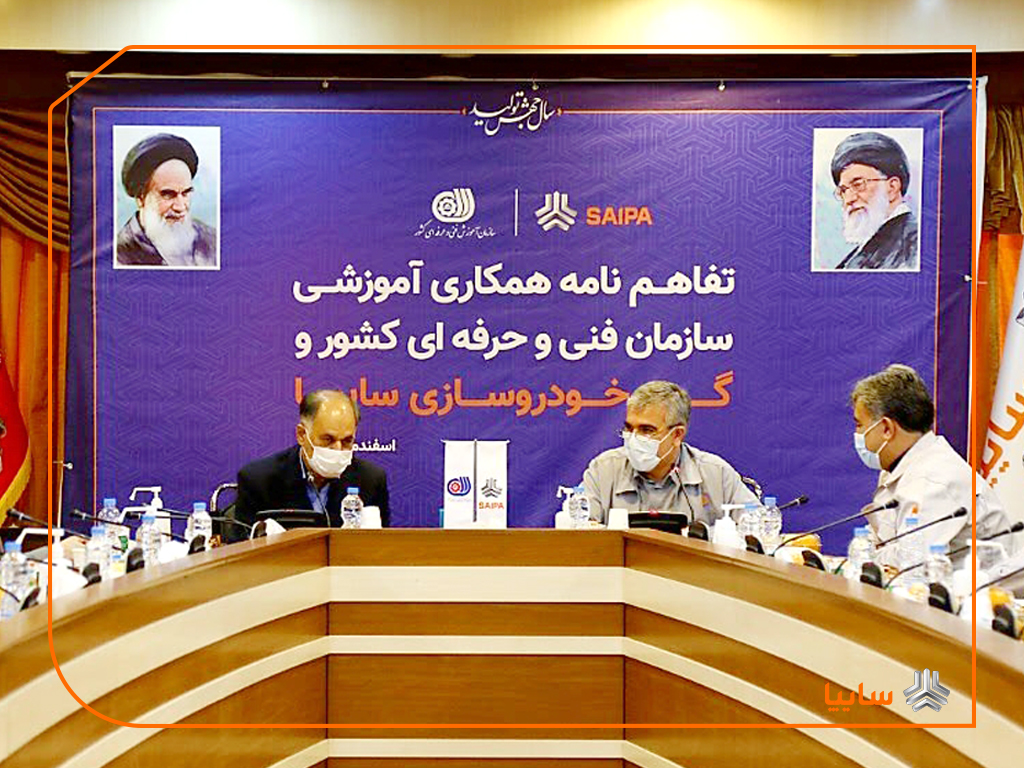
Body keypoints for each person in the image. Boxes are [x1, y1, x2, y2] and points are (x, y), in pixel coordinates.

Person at [851, 364, 1014, 568]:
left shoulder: (934, 479)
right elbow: (881, 540)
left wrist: (869, 555)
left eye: (859, 425)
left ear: (886, 428)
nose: (857, 434)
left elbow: (912, 564)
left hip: (977, 586)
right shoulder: (901, 467)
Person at [582, 380, 759, 526]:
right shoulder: (603, 470)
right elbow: (578, 531)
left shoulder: (716, 473)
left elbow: (757, 528)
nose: (633, 438)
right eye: (629, 428)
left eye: (647, 430)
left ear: (677, 435)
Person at [233, 389, 389, 538]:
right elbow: (241, 548)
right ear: (302, 435)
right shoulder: (258, 480)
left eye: (347, 441)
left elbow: (382, 547)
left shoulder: (371, 480)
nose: (338, 449)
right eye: (328, 439)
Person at [116, 133, 217, 267]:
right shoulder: (120, 255)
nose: (180, 207)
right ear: (141, 198)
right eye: (168, 195)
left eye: (186, 193)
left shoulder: (211, 239)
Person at [830, 131, 918, 270]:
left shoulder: (914, 244)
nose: (849, 199)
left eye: (858, 185)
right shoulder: (860, 252)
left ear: (892, 187)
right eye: (843, 190)